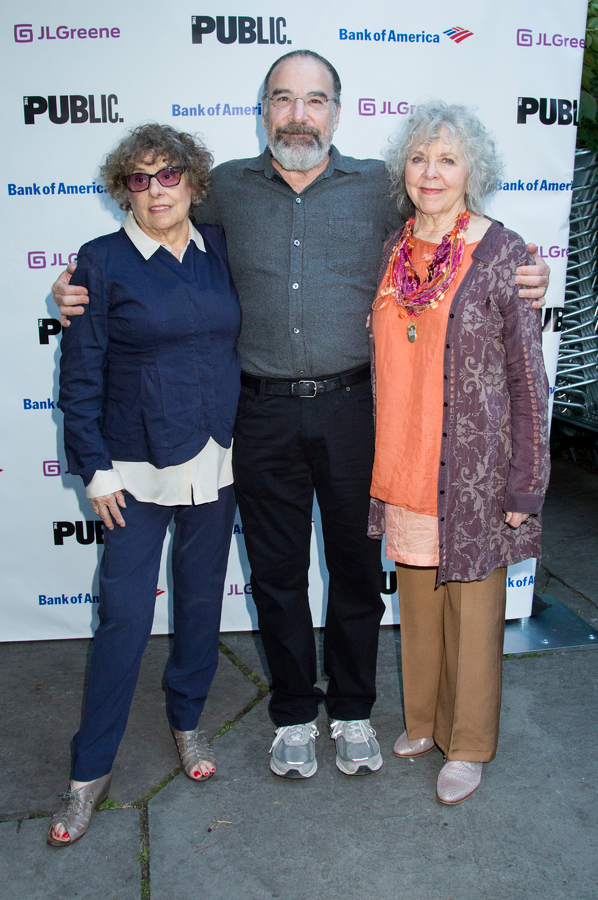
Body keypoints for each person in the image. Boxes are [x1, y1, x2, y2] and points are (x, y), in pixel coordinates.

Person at [52, 51, 549, 781]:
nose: (298, 115)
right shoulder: (221, 189)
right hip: (257, 415)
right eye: (283, 99)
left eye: (314, 100)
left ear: (337, 113)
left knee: (353, 570)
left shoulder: (380, 188)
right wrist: (79, 282)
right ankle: (292, 711)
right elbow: (157, 233)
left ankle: (351, 709)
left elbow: (452, 218)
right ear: (264, 109)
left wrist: (523, 268)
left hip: (355, 411)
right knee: (278, 574)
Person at [48, 124, 241, 847]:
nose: (156, 191)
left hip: (215, 462)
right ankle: (87, 774)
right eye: (140, 179)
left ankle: (187, 722)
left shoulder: (220, 248)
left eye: (169, 176)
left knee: (198, 607)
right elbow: (79, 377)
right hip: (131, 472)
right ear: (122, 187)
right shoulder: (99, 264)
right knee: (124, 621)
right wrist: (93, 466)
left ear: (193, 181)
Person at [368, 101, 550, 804]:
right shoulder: (393, 246)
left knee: (473, 608)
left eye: (447, 158)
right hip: (404, 463)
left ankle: (467, 743)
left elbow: (527, 380)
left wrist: (526, 482)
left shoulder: (503, 251)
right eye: (419, 158)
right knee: (417, 597)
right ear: (403, 172)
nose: (431, 172)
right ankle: (422, 720)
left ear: (473, 170)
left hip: (474, 471)